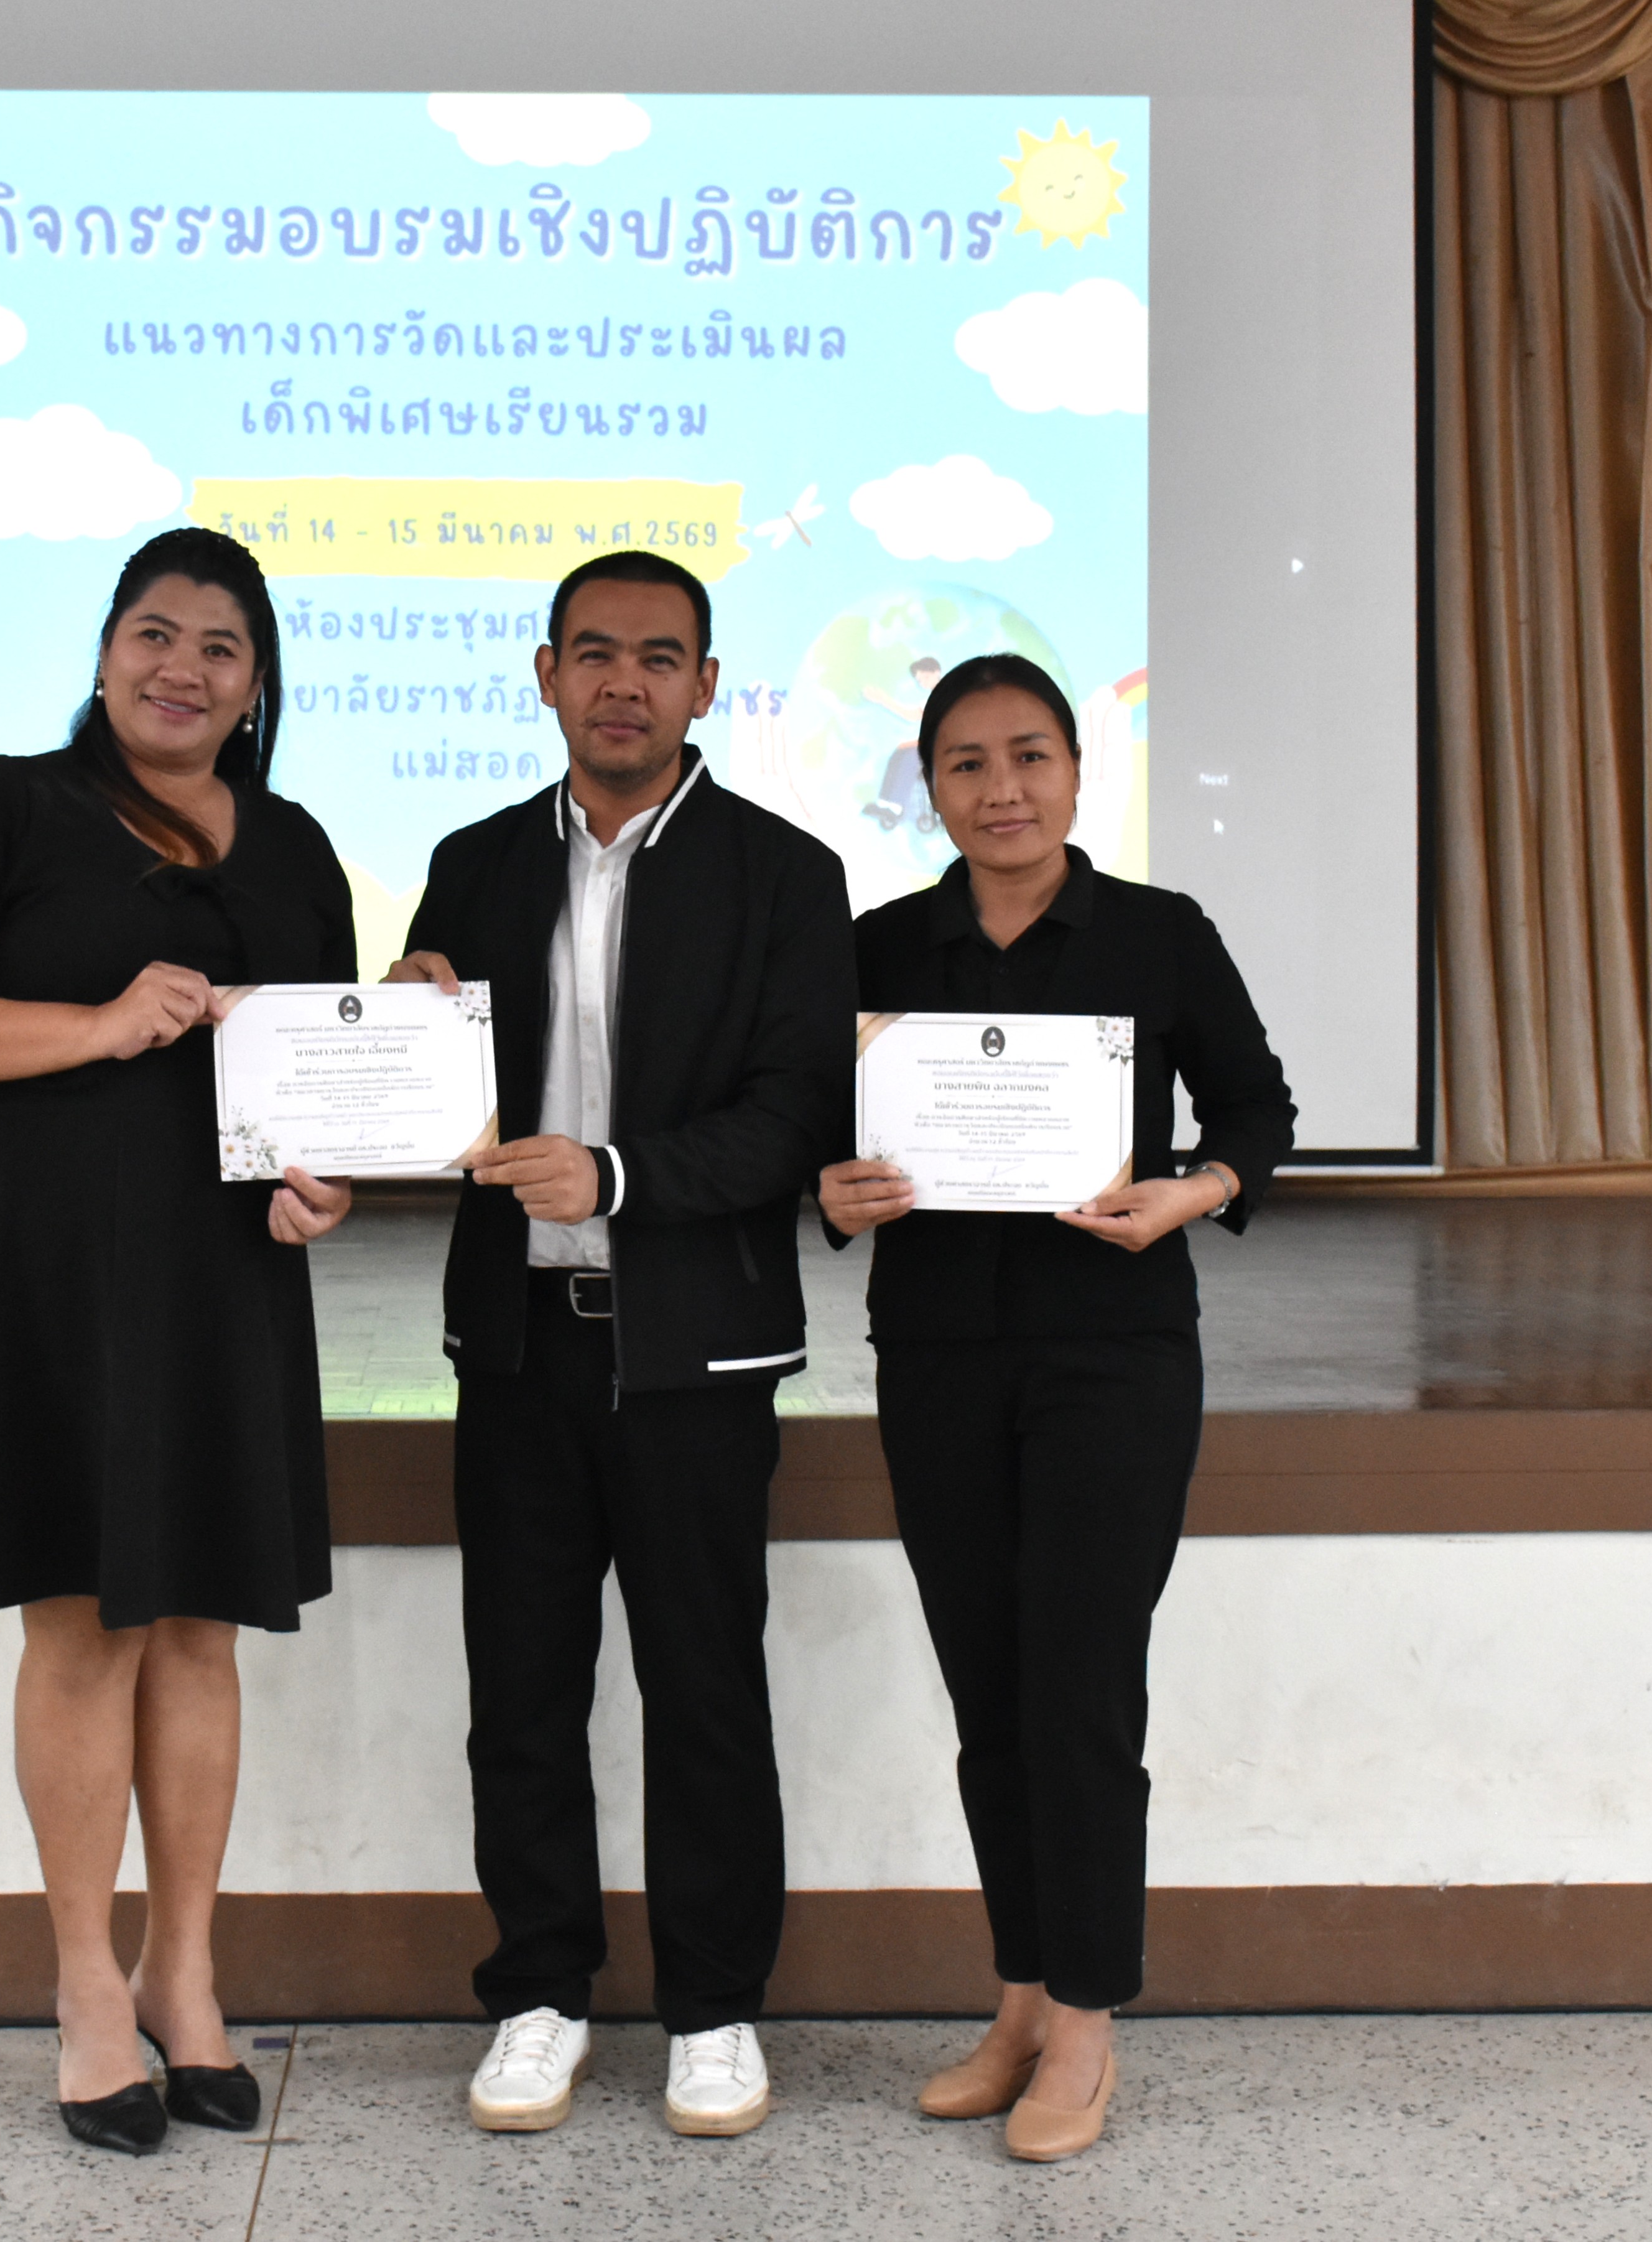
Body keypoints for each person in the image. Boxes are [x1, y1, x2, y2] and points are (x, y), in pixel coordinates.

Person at [0, 527, 356, 2157]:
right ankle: (84, 1984)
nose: (180, 667)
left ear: (257, 685)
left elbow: (314, 1088)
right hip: (55, 1278)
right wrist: (98, 1022)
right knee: (81, 1628)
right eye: (154, 631)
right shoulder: (6, 805)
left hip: (226, 1279)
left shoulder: (296, 847)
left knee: (201, 1628)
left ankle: (182, 1973)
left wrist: (322, 1184)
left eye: (220, 645)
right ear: (103, 649)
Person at [387, 551, 854, 2140]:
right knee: (522, 1689)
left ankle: (713, 2008)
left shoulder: (785, 873)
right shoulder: (471, 862)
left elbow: (796, 1113)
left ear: (708, 685)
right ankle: (540, 1992)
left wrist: (620, 1175)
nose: (624, 682)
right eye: (594, 652)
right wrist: (399, 1030)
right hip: (517, 1343)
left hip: (695, 1354)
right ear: (544, 673)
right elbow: (436, 1091)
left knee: (705, 1687)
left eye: (660, 656)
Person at [817, 654, 1294, 2165]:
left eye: (1030, 755)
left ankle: (1087, 2016)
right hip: (939, 1356)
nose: (1002, 788)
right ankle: (1020, 1995)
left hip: (1114, 1358)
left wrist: (1191, 1192)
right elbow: (816, 1136)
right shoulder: (880, 949)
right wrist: (833, 1192)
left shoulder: (1161, 933)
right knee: (989, 1691)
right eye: (966, 762)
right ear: (929, 787)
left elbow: (1258, 1108)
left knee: (1079, 1690)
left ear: (1079, 772)